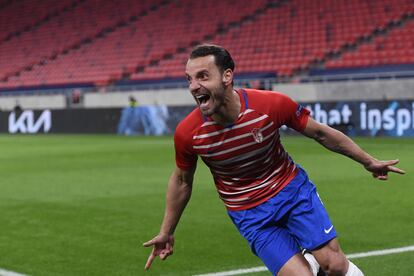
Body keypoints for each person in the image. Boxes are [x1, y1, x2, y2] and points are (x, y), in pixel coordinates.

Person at [143, 44, 405, 275]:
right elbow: (182, 181)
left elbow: (321, 133)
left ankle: (317, 262)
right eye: (189, 79)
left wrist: (367, 160)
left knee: (334, 265)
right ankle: (308, 264)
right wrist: (167, 231)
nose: (194, 86)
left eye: (202, 76)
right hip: (249, 214)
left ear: (227, 76)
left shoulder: (270, 105)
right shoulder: (189, 133)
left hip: (292, 192)